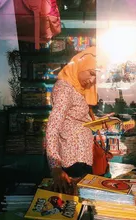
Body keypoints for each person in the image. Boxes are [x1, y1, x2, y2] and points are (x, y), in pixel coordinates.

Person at [46, 46, 98, 194]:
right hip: (71, 161)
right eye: (91, 73)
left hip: (82, 157)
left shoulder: (78, 88)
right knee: (72, 204)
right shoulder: (65, 88)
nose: (92, 80)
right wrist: (55, 167)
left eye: (96, 77)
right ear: (81, 65)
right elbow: (52, 127)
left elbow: (76, 118)